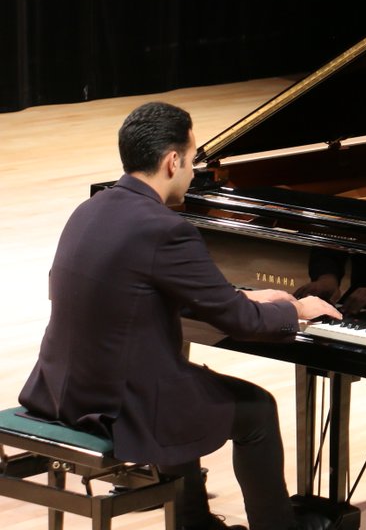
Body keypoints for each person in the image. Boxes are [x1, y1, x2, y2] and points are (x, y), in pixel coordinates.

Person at [19, 102, 342, 530]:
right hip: (121, 403)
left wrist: (246, 295)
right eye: (191, 162)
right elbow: (240, 323)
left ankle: (194, 520)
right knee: (256, 409)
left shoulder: (92, 209)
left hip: (65, 387)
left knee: (186, 381)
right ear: (172, 161)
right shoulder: (165, 228)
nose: (193, 173)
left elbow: (148, 290)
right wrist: (295, 308)